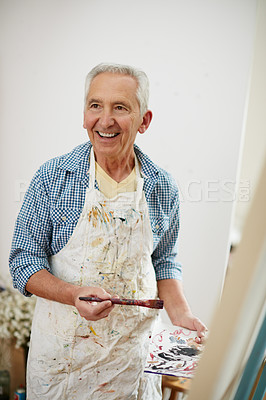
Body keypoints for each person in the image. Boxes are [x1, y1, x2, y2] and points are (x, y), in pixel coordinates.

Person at [9, 63, 206, 399]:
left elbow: (165, 262)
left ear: (144, 120)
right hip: (64, 363)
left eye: (120, 108)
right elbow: (23, 263)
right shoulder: (53, 178)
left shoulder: (161, 187)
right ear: (84, 113)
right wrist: (72, 294)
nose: (105, 120)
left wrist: (182, 314)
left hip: (132, 363)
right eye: (95, 105)